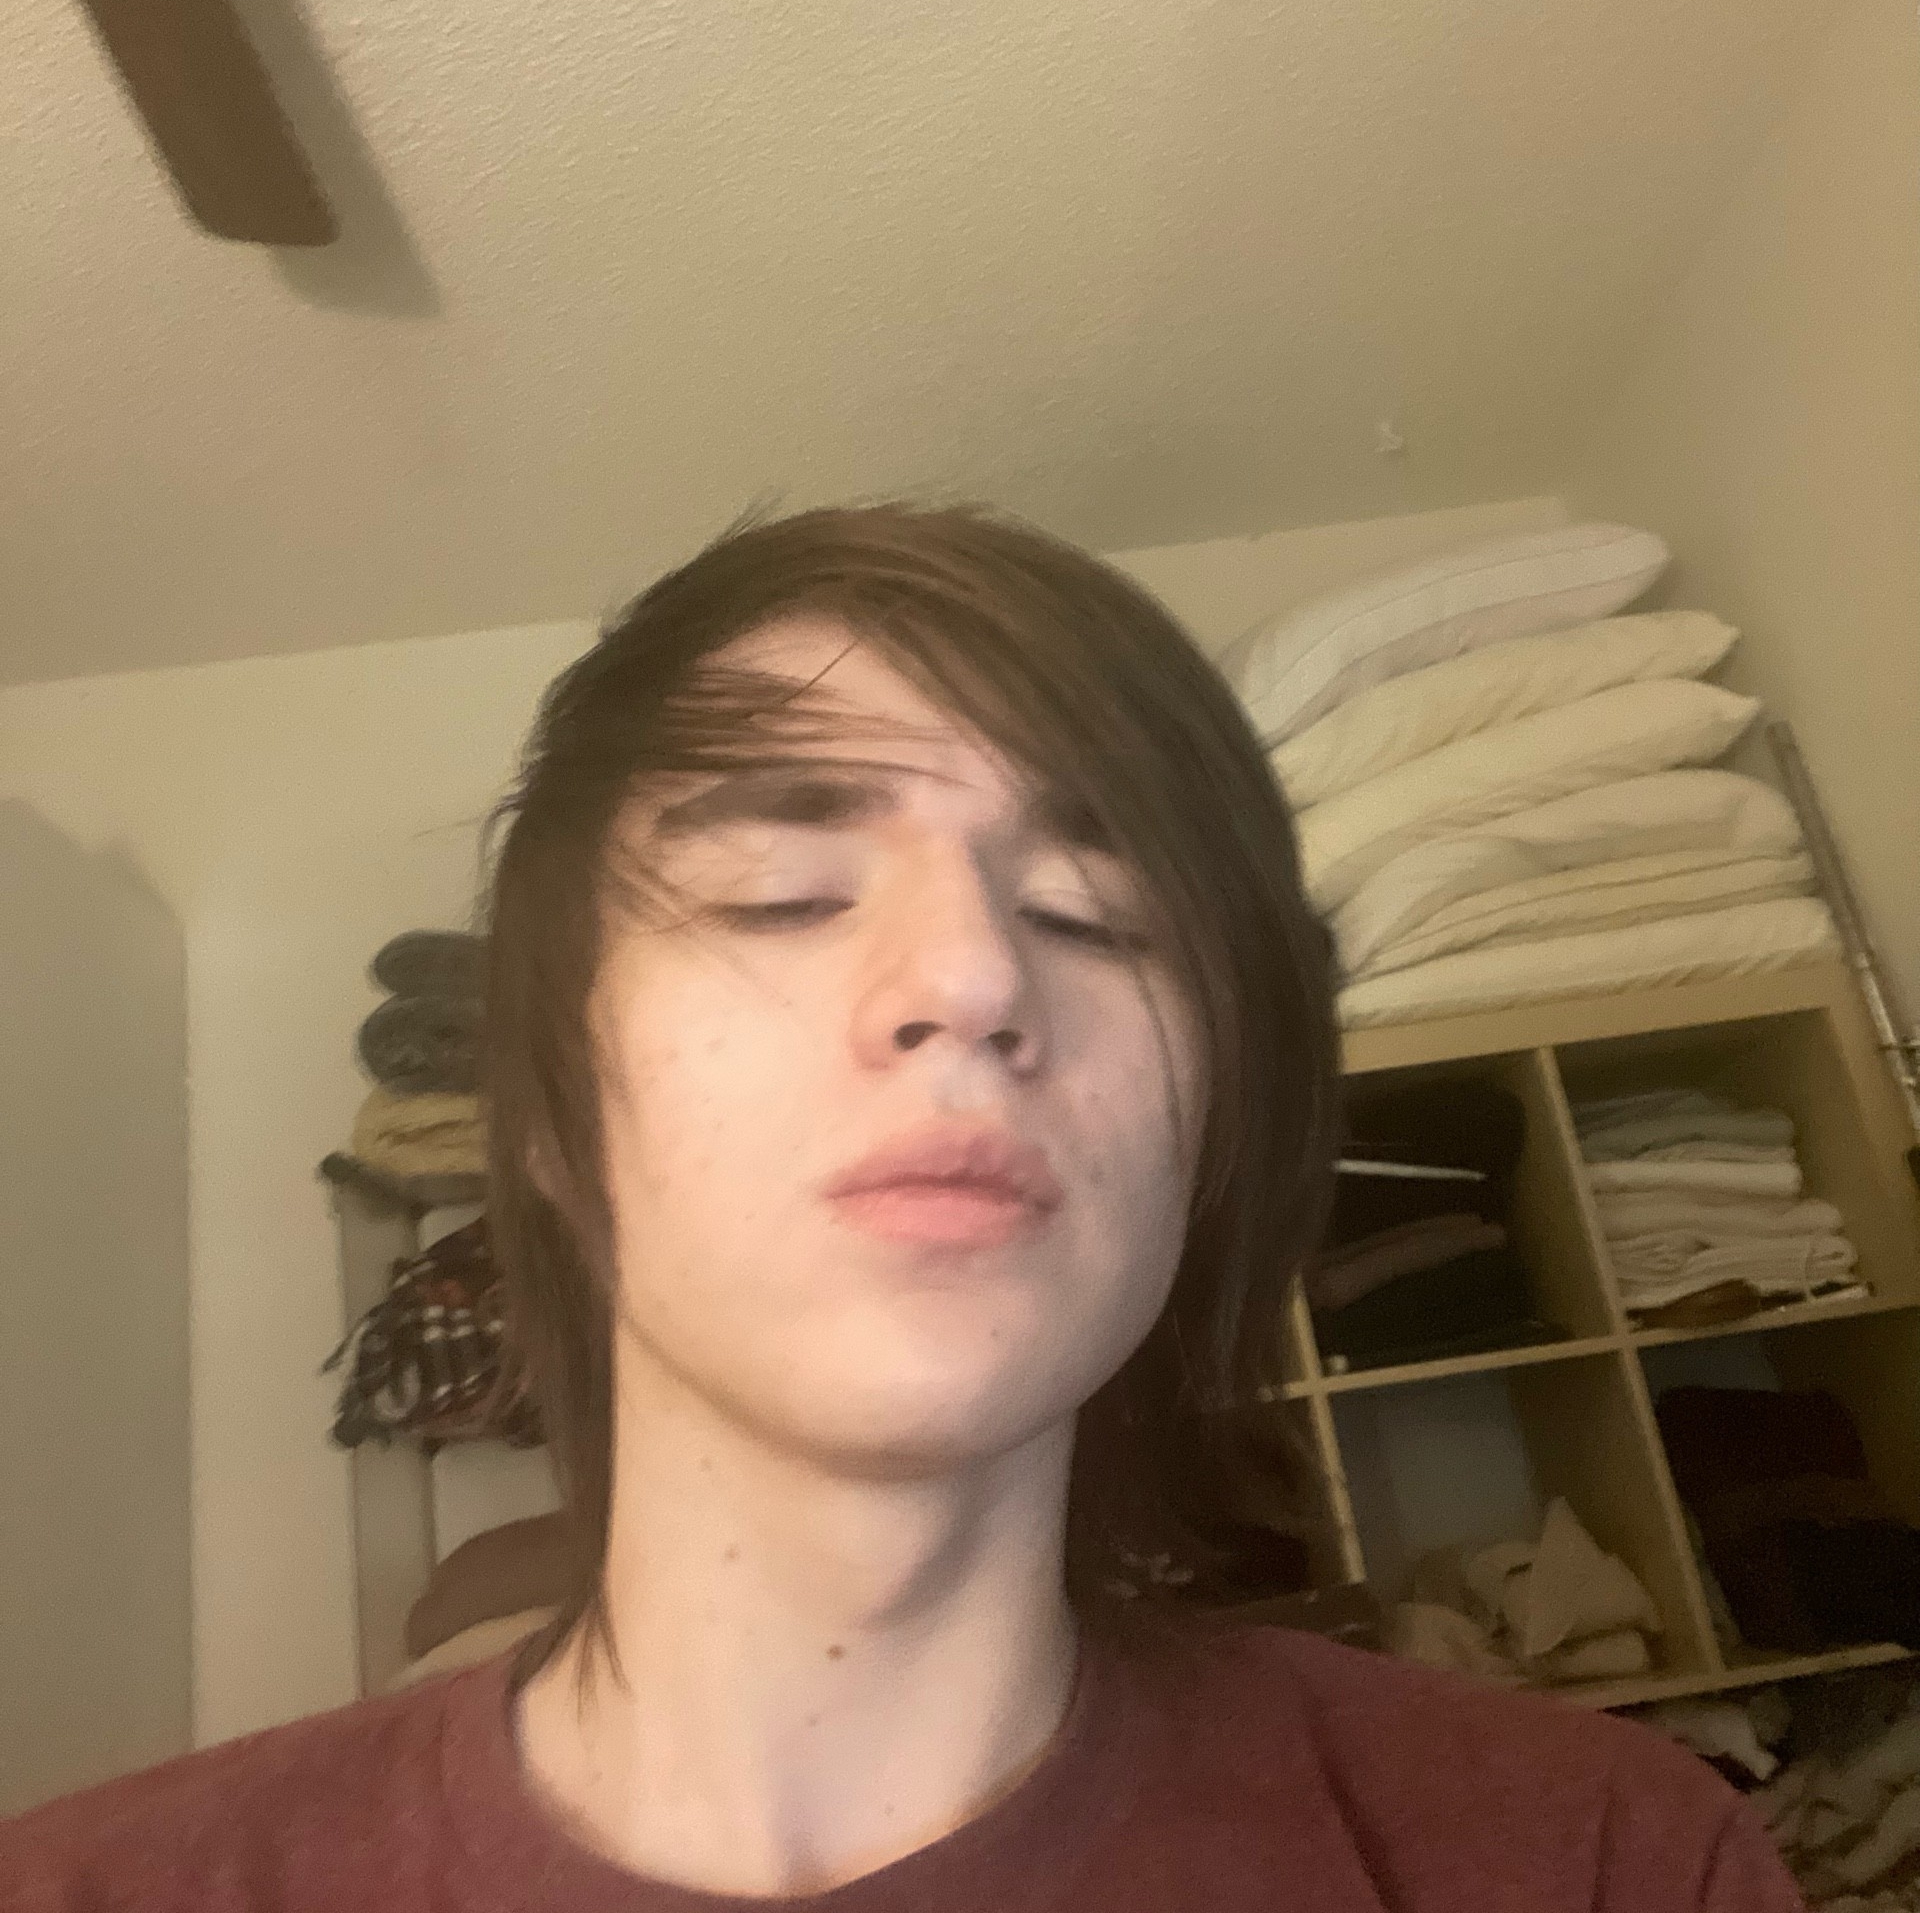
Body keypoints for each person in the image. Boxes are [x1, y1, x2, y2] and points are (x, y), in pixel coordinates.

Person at [0, 506, 1803, 1910]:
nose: (969, 975)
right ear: (551, 1122)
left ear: (1208, 1130)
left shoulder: (1605, 1866)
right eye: (782, 892)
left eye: (1098, 915)